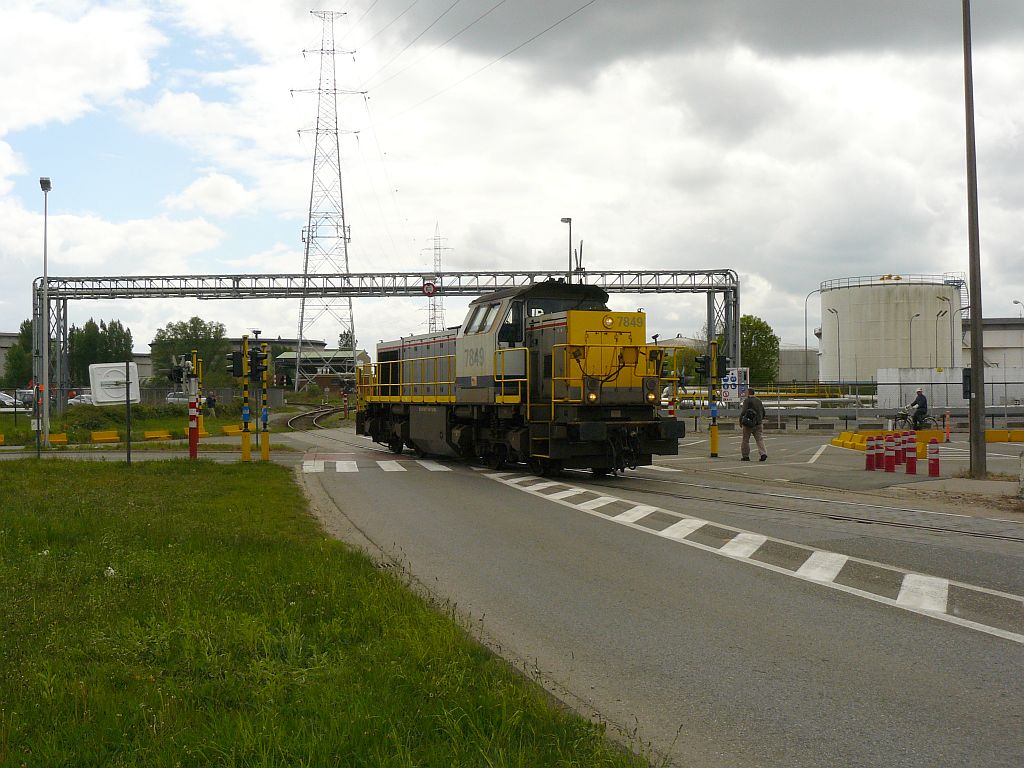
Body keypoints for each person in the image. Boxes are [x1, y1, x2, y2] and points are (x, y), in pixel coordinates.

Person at [739, 387, 767, 462]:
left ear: (748, 393)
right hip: (758, 423)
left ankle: (745, 456)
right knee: (759, 439)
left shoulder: (747, 401)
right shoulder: (759, 400)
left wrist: (741, 421)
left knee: (745, 440)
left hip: (748, 424)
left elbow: (744, 412)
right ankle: (763, 453)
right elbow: (763, 411)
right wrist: (760, 420)